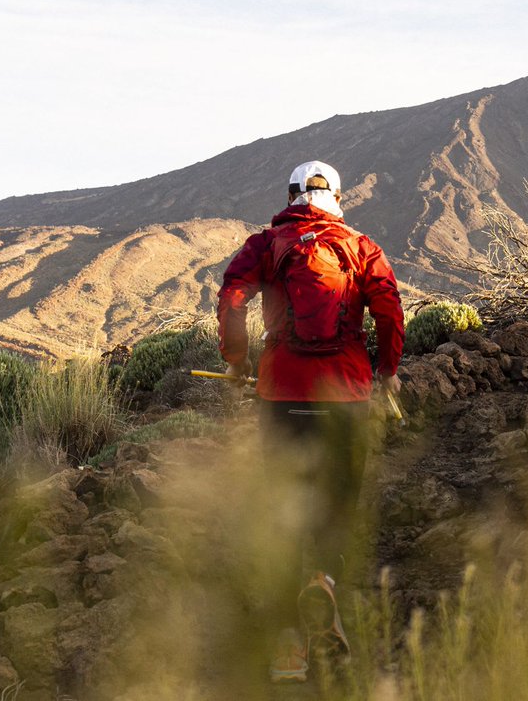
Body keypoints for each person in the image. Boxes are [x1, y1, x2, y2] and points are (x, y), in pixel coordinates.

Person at [216, 160, 404, 684]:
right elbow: (389, 309)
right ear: (338, 197)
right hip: (345, 395)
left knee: (282, 514)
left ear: (292, 196)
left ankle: (286, 651)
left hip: (282, 393)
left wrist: (237, 360)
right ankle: (323, 585)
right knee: (337, 507)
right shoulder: (361, 247)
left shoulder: (266, 245)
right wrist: (387, 372)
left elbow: (232, 300)